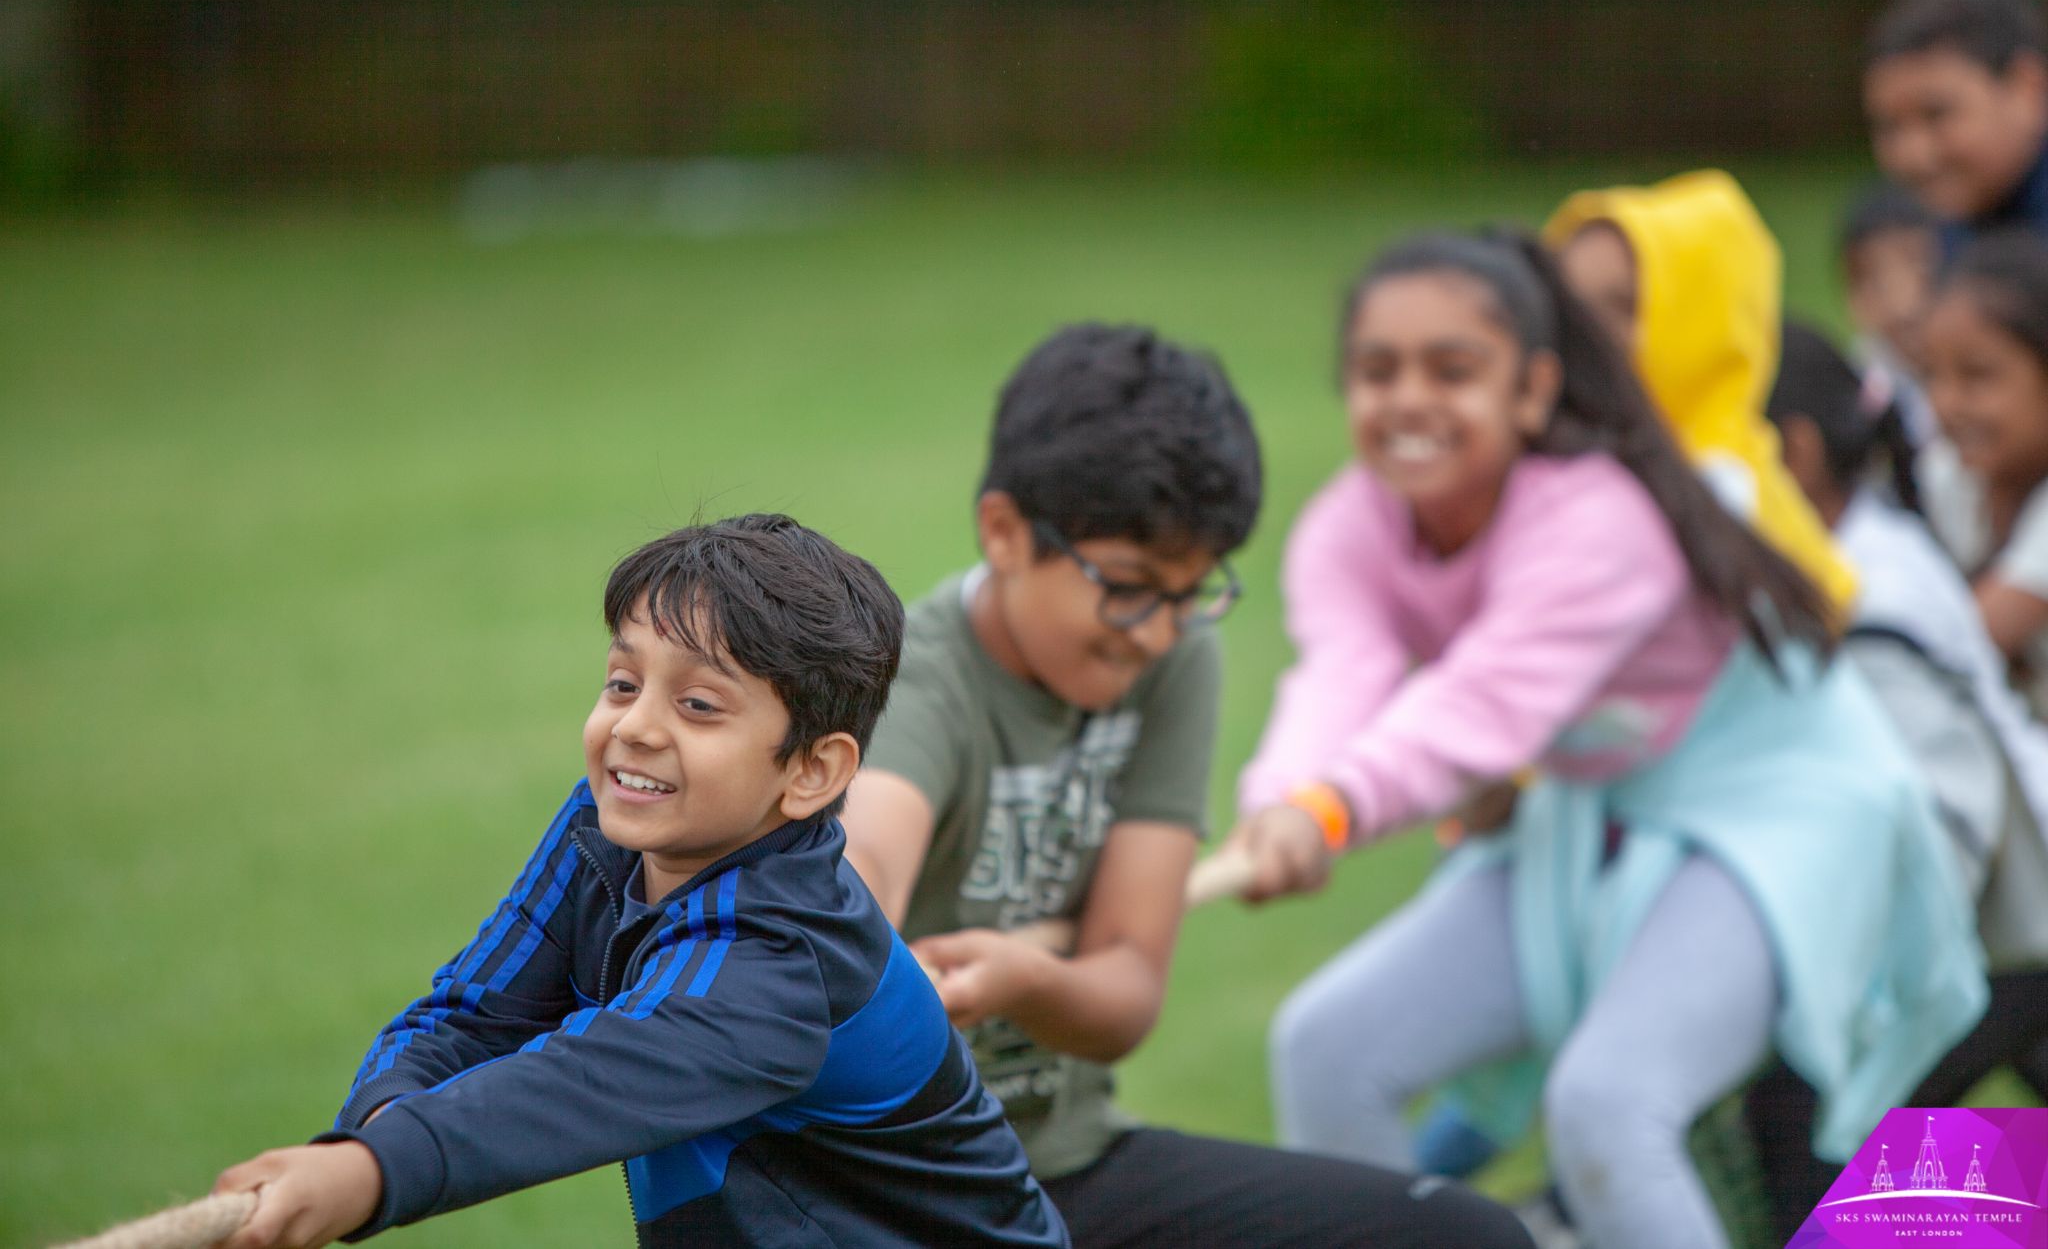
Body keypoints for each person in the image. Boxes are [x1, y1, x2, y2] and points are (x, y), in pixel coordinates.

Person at [1239, 231, 1985, 1249]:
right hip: (1599, 818)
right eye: (1376, 371)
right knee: (1325, 1048)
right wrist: (1280, 798)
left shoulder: (1601, 519)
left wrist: (1327, 811)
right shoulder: (1348, 524)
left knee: (1608, 1104)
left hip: (1780, 815)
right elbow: (1339, 674)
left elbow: (1481, 707)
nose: (1407, 399)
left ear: (1533, 388)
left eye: (1451, 369)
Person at [840, 324, 1534, 1249]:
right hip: (882, 1196)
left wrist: (1026, 980)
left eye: (1191, 590)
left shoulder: (1174, 659)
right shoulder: (920, 678)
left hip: (1062, 1171)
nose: (1159, 629)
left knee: (1464, 1237)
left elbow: (1126, 989)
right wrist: (868, 946)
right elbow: (862, 875)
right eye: (1128, 586)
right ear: (1004, 532)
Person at [211, 515, 1069, 1249]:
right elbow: (472, 1012)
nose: (635, 726)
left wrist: (371, 1172)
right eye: (623, 682)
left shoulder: (780, 964)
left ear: (811, 770)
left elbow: (584, 1080)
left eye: (699, 705)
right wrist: (378, 1122)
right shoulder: (605, 831)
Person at [1747, 319, 2048, 1242]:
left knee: (1822, 1139)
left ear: (1793, 453)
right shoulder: (1850, 553)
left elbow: (1953, 822)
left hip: (2003, 934)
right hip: (2000, 928)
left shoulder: (1866, 602)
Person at [1546, 167, 1859, 613]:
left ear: (1699, 330)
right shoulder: (1585, 448)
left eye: (1624, 306)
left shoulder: (1720, 490)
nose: (1582, 331)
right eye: (1568, 303)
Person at [1919, 229, 2048, 718]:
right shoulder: (1950, 475)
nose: (1946, 403)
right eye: (1931, 375)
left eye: (1978, 376)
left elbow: (1967, 643)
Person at [1864, 0, 2048, 252]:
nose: (1913, 154)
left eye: (1937, 114)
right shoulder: (1931, 233)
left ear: (2026, 90)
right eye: (1889, 126)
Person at [1839, 182, 1942, 445]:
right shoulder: (1856, 383)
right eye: (1878, 282)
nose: (1903, 301)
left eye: (1921, 269)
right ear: (1853, 299)